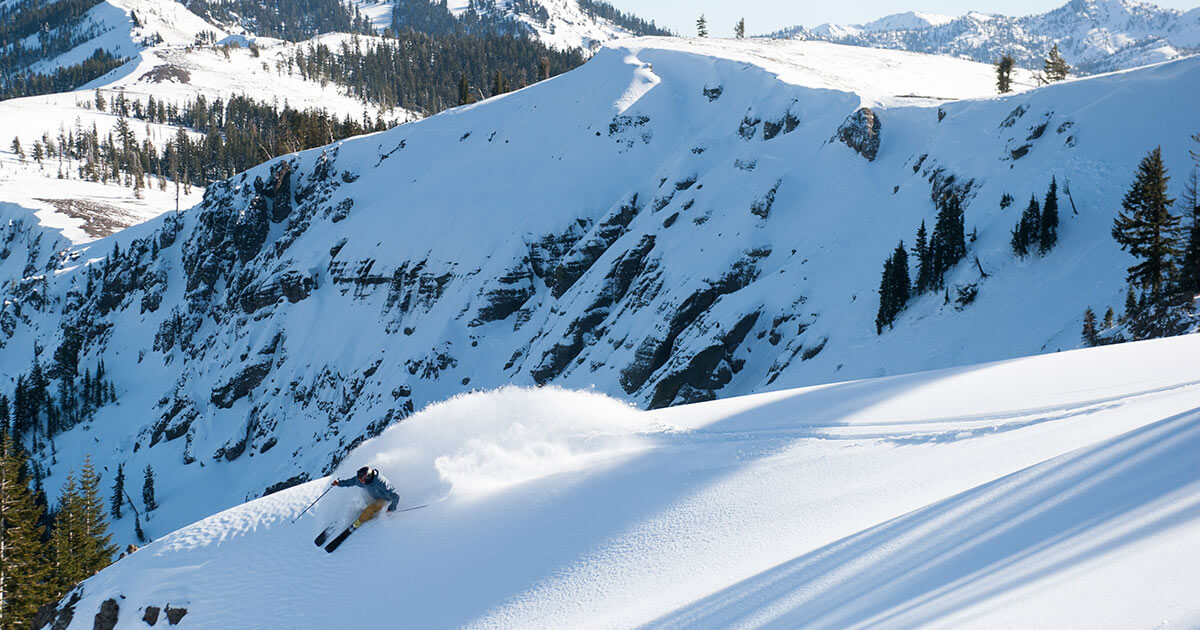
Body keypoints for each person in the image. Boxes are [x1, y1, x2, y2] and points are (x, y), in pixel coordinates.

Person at [331, 466, 401, 528]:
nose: (361, 482)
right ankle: (357, 514)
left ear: (368, 477)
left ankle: (357, 524)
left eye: (362, 480)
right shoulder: (362, 480)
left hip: (385, 499)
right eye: (360, 480)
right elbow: (351, 482)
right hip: (374, 496)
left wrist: (391, 508)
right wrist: (339, 483)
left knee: (370, 509)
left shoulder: (381, 483)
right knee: (360, 502)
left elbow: (396, 496)